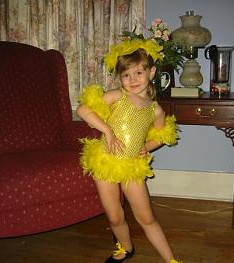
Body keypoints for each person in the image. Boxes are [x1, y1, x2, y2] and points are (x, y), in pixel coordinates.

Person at [76, 38, 182, 263]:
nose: (132, 80)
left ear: (151, 72)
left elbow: (162, 135)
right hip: (105, 160)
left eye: (138, 73)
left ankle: (171, 260)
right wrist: (108, 131)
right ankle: (126, 248)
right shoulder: (117, 96)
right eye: (126, 75)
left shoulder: (155, 110)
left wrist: (147, 146)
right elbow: (83, 109)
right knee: (114, 216)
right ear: (120, 77)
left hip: (132, 166)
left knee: (146, 217)